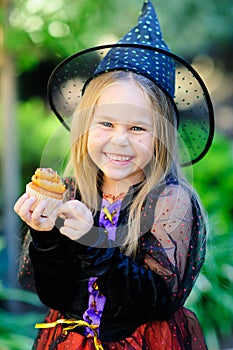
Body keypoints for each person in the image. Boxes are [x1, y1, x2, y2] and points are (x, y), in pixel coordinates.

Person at [14, 1, 214, 349]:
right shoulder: (71, 193)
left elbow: (156, 301)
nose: (119, 140)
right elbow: (55, 294)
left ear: (161, 138)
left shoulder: (170, 202)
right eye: (106, 123)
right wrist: (46, 237)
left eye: (137, 128)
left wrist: (94, 241)